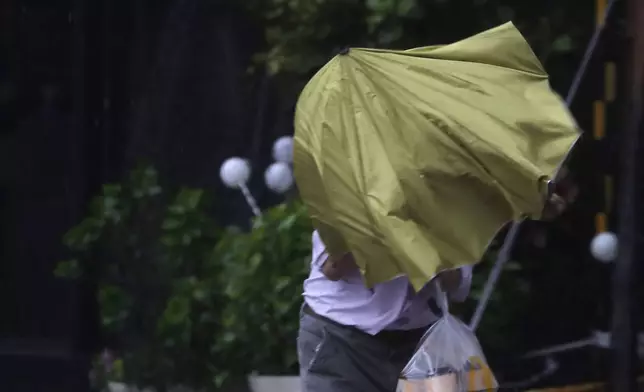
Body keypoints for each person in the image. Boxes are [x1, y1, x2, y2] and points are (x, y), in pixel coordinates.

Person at [297, 181, 578, 392]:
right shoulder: (353, 180)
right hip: (342, 338)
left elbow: (457, 286)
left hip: (421, 342)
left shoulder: (453, 198)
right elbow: (334, 267)